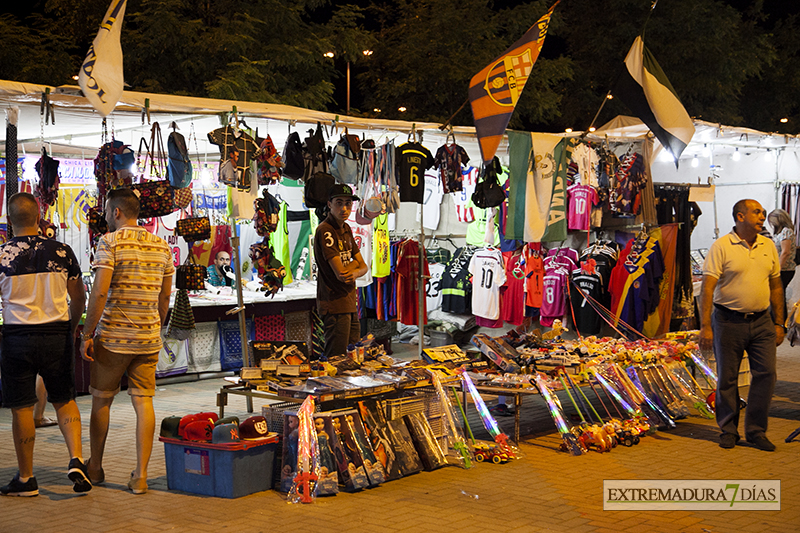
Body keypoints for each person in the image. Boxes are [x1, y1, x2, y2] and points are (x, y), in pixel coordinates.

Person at [80, 188, 174, 494]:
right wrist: (155, 326)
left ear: (117, 212)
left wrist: (87, 332)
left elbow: (100, 292)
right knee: (143, 402)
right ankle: (141, 475)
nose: (106, 217)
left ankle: (95, 467)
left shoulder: (109, 242)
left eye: (108, 211)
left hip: (113, 338)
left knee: (101, 401)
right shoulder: (162, 246)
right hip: (148, 339)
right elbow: (164, 297)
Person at [0, 192, 90, 496]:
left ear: (9, 221)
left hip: (16, 338)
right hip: (56, 334)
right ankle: (77, 459)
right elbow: (79, 297)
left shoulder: (1, 256)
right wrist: (73, 328)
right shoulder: (62, 252)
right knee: (65, 399)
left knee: (22, 407)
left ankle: (26, 478)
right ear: (39, 217)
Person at [699, 199, 784, 452]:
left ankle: (756, 431)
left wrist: (780, 322)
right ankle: (728, 429)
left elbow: (776, 285)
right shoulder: (722, 246)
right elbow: (707, 288)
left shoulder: (768, 245)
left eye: (762, 213)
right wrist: (705, 326)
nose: (762, 216)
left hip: (762, 322)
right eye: (757, 212)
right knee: (728, 378)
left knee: (766, 374)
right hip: (727, 321)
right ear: (740, 216)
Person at [313, 184, 368, 358]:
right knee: (336, 358)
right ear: (329, 204)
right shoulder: (325, 230)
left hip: (350, 301)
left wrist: (356, 269)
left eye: (348, 203)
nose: (344, 208)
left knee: (353, 356)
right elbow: (342, 273)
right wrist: (355, 266)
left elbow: (365, 267)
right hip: (334, 303)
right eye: (339, 203)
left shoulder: (346, 229)